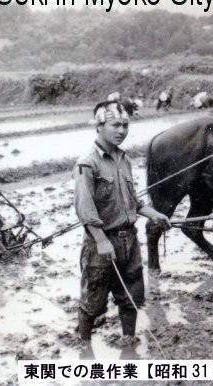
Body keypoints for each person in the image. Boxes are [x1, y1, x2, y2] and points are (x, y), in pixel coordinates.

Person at [73, 100, 170, 344]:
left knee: (132, 297)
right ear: (99, 126)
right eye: (115, 125)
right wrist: (101, 240)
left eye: (125, 125)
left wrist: (153, 214)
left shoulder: (124, 160)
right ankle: (83, 345)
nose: (121, 131)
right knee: (93, 300)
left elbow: (133, 200)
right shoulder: (87, 163)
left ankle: (128, 341)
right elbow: (85, 208)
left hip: (129, 241)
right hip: (101, 243)